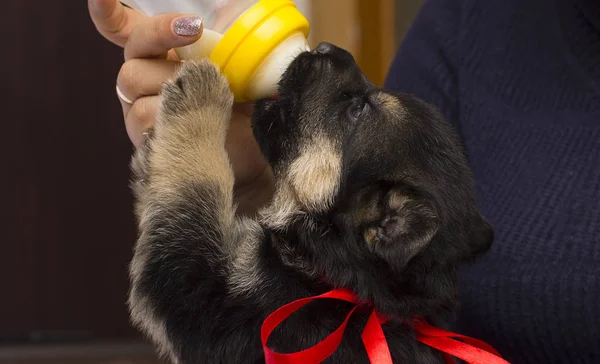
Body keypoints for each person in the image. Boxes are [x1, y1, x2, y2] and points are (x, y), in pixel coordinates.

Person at [89, 0, 600, 363]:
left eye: (355, 108)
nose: (335, 55)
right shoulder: (472, 16)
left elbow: (180, 292)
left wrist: (191, 137)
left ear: (389, 223)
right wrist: (257, 177)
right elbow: (334, 186)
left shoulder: (318, 328)